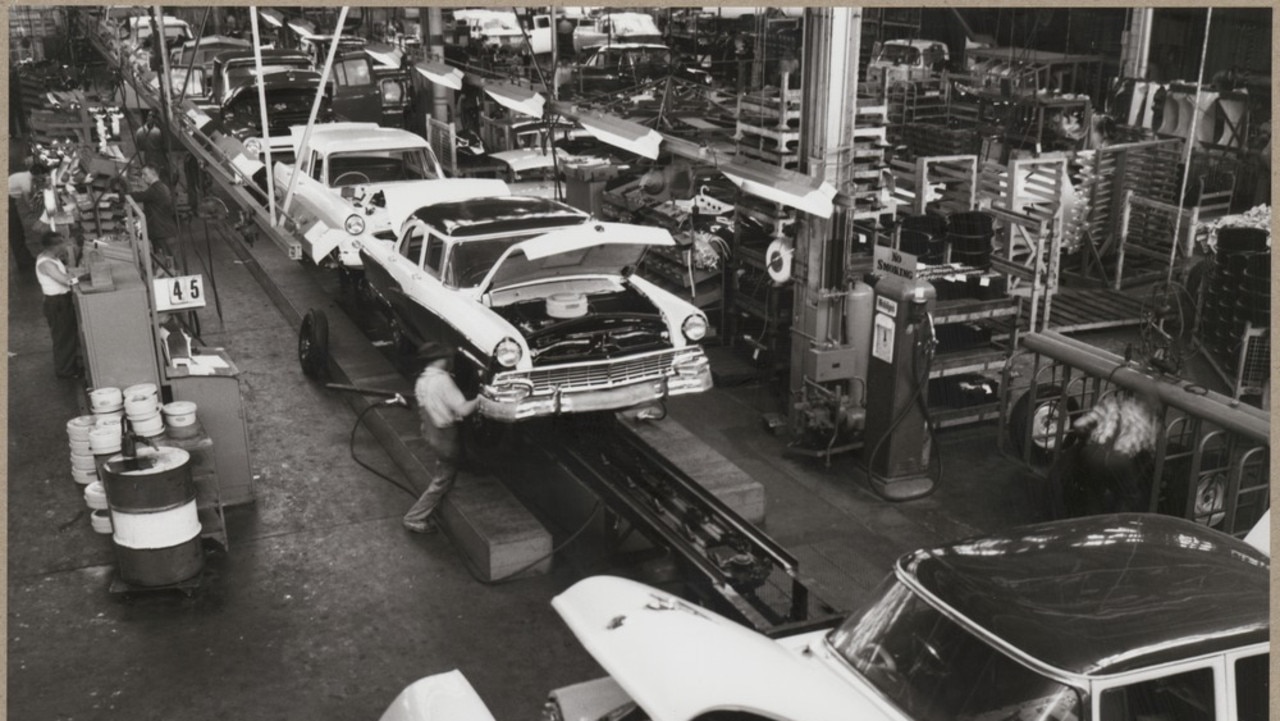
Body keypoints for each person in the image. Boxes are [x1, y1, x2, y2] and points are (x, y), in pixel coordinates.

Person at [403, 341, 479, 534]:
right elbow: (463, 409)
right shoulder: (443, 380)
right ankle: (414, 517)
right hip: (446, 436)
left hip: (432, 433)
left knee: (445, 470)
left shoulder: (422, 380)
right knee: (442, 480)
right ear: (441, 360)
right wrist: (481, 399)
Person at [35, 232, 83, 379]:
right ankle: (65, 371)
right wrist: (82, 278)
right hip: (57, 303)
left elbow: (66, 274)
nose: (65, 247)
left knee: (67, 334)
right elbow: (65, 281)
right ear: (55, 246)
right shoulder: (46, 263)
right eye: (63, 244)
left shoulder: (51, 258)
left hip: (62, 300)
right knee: (63, 336)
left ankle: (70, 365)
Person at [121, 163, 178, 260]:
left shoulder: (156, 189)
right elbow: (153, 206)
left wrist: (121, 195)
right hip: (163, 231)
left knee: (168, 263)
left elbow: (140, 196)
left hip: (162, 233)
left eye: (145, 174)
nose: (143, 177)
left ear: (153, 174)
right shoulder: (161, 187)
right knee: (166, 262)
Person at [8, 161, 48, 272]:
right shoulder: (25, 181)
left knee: (18, 231)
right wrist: (37, 213)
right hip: (7, 201)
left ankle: (25, 259)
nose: (43, 178)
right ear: (38, 173)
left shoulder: (26, 176)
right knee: (16, 231)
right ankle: (24, 263)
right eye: (42, 175)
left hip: (11, 199)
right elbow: (28, 202)